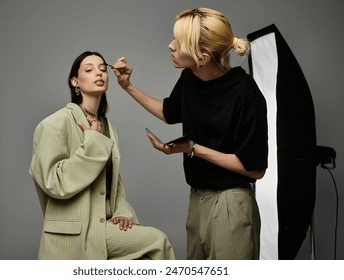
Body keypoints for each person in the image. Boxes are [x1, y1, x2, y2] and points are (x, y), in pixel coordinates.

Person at [112, 8, 268, 260]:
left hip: (231, 203)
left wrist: (193, 148)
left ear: (203, 57)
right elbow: (168, 112)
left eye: (179, 43)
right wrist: (127, 86)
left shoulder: (246, 94)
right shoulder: (190, 77)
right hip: (197, 199)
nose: (170, 45)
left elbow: (255, 169)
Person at [29, 51, 175, 260]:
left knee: (151, 250)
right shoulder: (54, 123)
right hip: (74, 233)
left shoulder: (108, 126)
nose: (99, 73)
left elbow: (113, 182)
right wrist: (92, 143)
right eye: (89, 70)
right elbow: (54, 182)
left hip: (103, 226)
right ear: (75, 81)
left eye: (102, 69)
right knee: (156, 241)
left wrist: (122, 212)